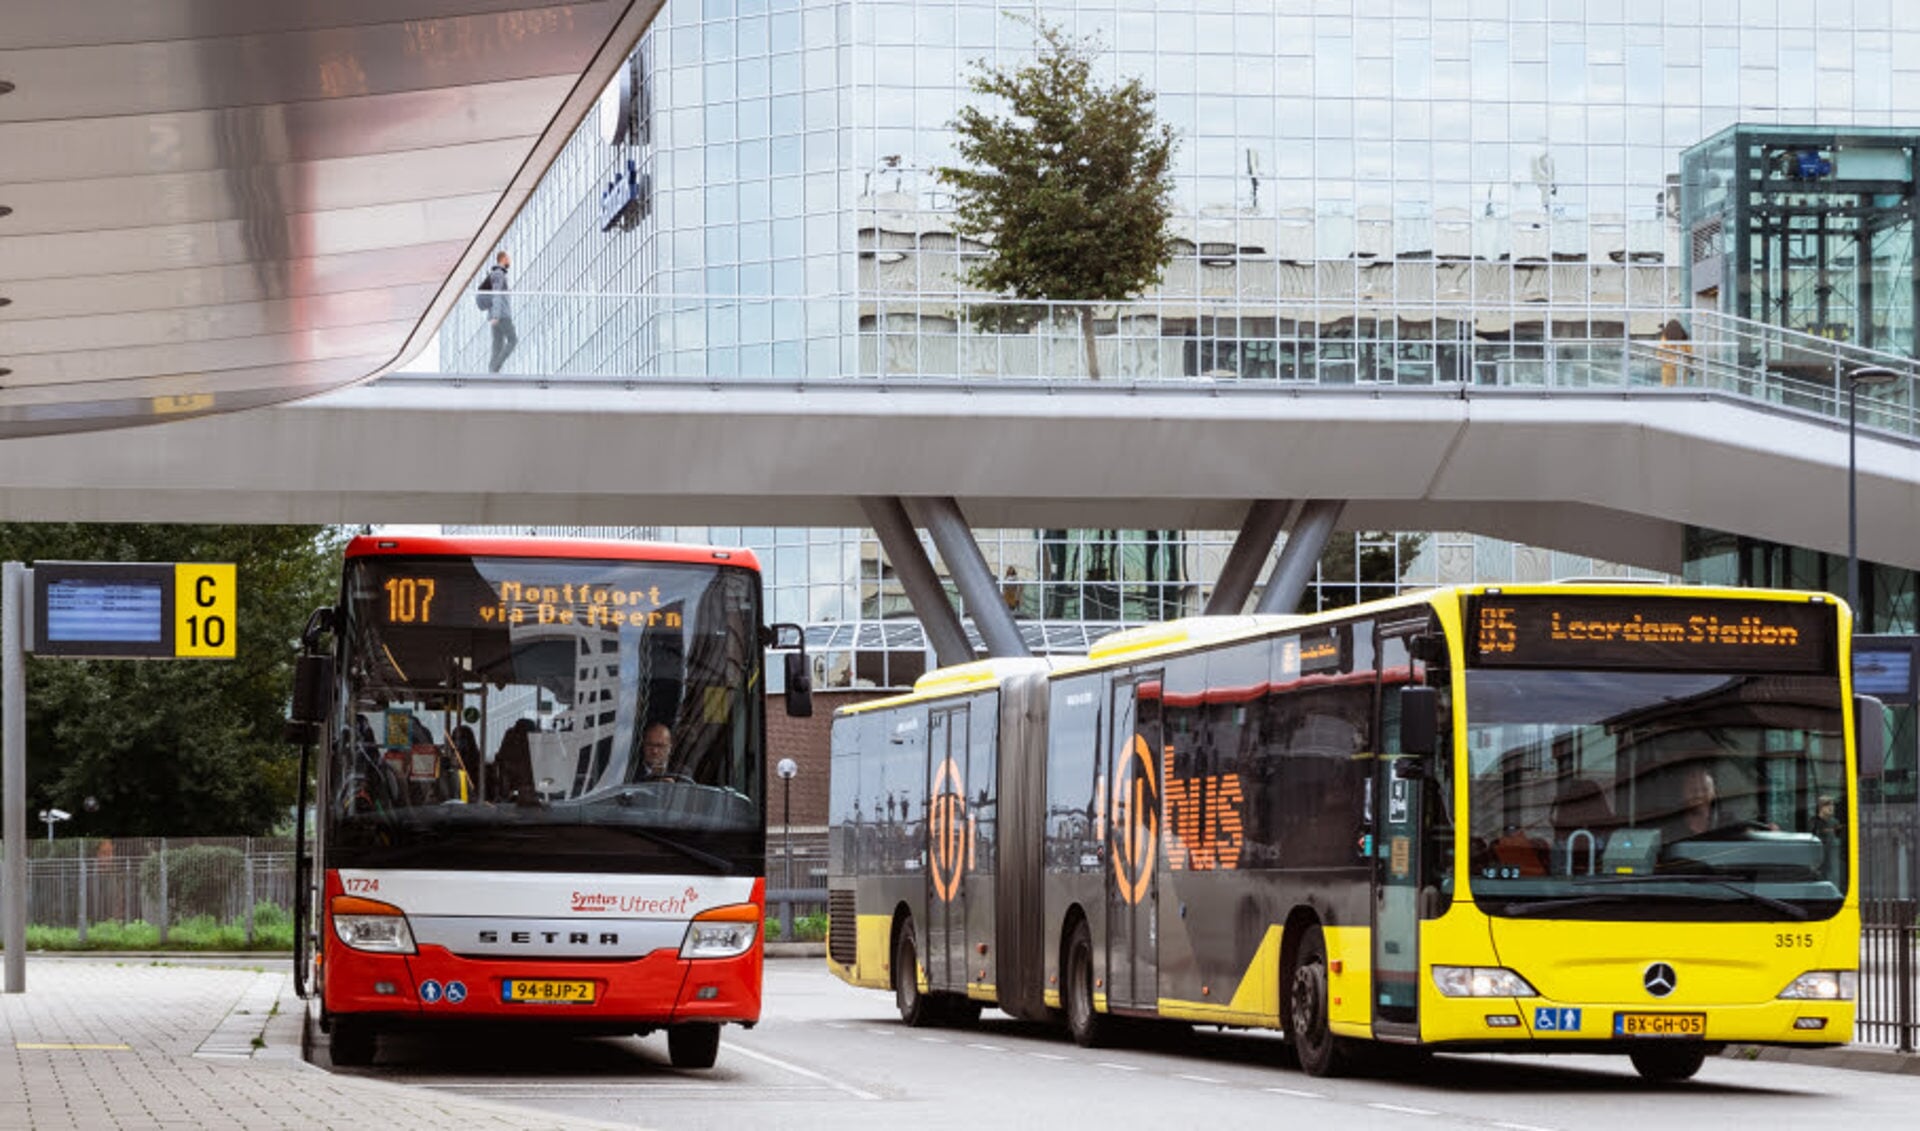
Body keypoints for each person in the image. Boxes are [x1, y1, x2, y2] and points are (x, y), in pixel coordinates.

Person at [483, 250, 518, 373]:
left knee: (497, 345)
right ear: (503, 259)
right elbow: (496, 294)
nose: (509, 261)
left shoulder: (496, 274)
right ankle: (495, 367)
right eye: (508, 258)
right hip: (501, 316)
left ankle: (492, 372)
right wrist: (496, 315)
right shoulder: (498, 274)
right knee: (513, 340)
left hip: (497, 315)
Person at [1677, 765, 1716, 837]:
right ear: (1682, 793)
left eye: (1704, 790)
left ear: (1713, 793)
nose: (1699, 795)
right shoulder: (1671, 824)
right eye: (1694, 790)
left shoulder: (1728, 822)